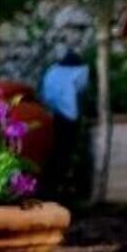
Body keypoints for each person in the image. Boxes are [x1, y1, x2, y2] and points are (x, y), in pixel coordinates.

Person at [39, 46, 91, 205]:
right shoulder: (80, 72)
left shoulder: (53, 72)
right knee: (64, 153)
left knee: (56, 152)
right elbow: (82, 90)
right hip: (69, 116)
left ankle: (50, 189)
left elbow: (46, 95)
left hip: (54, 114)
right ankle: (55, 189)